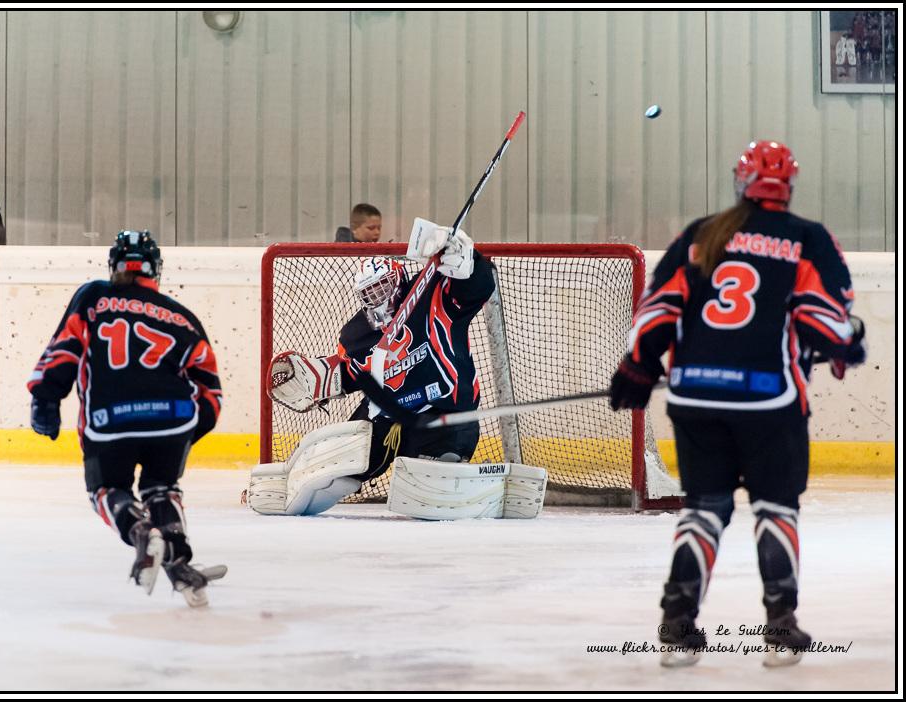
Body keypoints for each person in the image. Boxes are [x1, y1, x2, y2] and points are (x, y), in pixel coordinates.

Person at [609, 140, 866, 667]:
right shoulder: (807, 238)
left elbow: (658, 310)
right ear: (788, 187)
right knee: (776, 508)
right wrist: (849, 343)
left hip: (694, 397)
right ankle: (780, 626)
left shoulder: (702, 234)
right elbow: (827, 320)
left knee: (704, 509)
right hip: (771, 401)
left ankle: (678, 627)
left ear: (739, 181)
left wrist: (638, 365)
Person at [250, 219, 547, 519]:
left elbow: (479, 288)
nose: (377, 299)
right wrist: (325, 377)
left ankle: (483, 486)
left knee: (427, 477)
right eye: (369, 293)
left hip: (443, 415)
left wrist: (468, 262)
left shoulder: (434, 295)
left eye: (382, 288)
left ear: (399, 281)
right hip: (386, 416)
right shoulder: (356, 334)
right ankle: (292, 482)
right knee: (341, 464)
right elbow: (356, 373)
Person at [27, 230, 226, 607]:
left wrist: (46, 399)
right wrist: (187, 431)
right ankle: (178, 559)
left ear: (114, 266)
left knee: (105, 490)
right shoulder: (182, 317)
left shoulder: (94, 297)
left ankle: (139, 530)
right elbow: (210, 391)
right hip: (173, 418)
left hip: (110, 418)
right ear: (156, 270)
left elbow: (64, 350)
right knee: (161, 487)